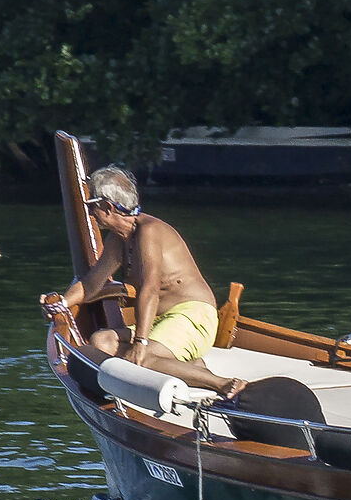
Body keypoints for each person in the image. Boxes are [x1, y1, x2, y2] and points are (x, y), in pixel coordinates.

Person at [47, 164, 245, 397]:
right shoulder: (118, 239)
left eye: (91, 207)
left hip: (193, 316)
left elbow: (149, 289)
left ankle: (221, 383)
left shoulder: (148, 231)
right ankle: (189, 368)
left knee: (142, 358)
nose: (89, 214)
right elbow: (91, 284)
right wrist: (61, 303)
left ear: (107, 207)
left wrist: (140, 342)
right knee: (101, 341)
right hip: (161, 322)